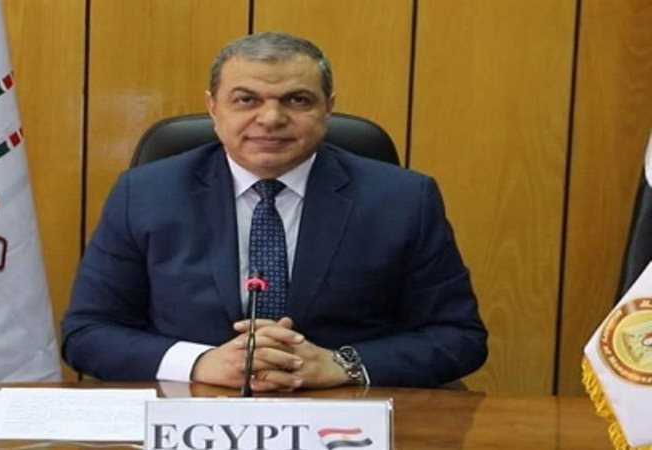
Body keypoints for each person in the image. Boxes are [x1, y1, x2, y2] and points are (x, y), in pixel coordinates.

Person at [61, 32, 487, 391]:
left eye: (297, 100)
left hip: (345, 418)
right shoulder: (145, 194)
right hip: (192, 416)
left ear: (328, 107)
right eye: (246, 99)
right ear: (213, 107)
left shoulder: (402, 199)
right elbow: (87, 333)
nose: (270, 118)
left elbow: (458, 336)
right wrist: (200, 362)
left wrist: (342, 364)